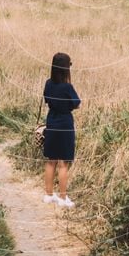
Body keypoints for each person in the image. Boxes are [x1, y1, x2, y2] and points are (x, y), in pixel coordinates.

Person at [42, 52, 80, 208]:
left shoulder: (48, 83)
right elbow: (77, 103)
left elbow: (47, 100)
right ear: (66, 68)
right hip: (65, 124)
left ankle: (49, 195)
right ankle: (63, 198)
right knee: (63, 163)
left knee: (51, 161)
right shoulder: (67, 87)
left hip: (51, 122)